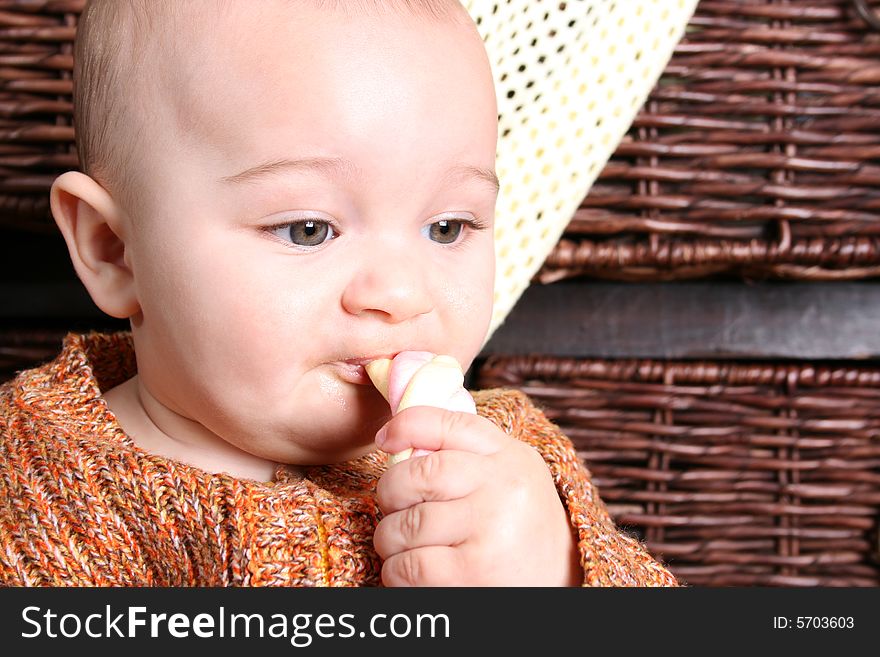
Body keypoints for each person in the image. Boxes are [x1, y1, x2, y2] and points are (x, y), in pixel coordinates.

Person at [0, 0, 678, 587]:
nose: (400, 293)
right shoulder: (35, 484)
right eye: (308, 229)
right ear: (113, 250)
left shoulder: (510, 461)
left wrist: (557, 582)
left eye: (447, 227)